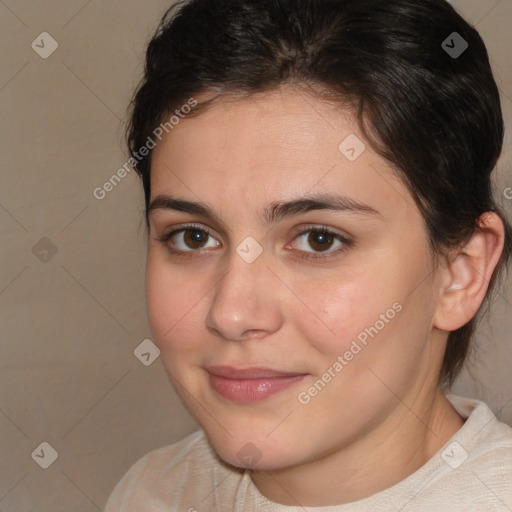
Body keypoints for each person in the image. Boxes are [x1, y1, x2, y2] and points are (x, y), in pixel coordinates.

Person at [105, 0, 512, 510]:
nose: (232, 313)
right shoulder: (151, 493)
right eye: (193, 237)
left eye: (320, 239)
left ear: (460, 273)